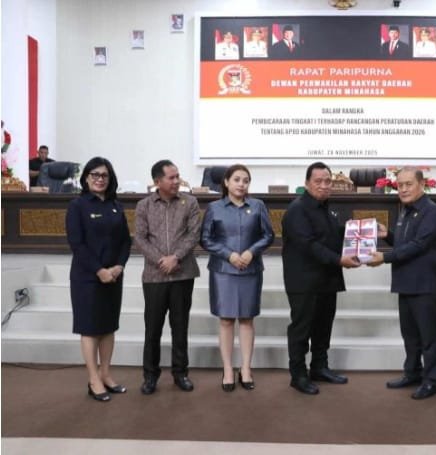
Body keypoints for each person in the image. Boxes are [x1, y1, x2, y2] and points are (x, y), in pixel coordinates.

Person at [282, 162, 361, 395]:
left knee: (323, 327)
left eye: (328, 181)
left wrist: (362, 230)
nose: (324, 185)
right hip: (304, 281)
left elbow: (334, 236)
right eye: (318, 181)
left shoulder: (326, 208)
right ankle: (298, 374)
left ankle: (319, 367)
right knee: (301, 329)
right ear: (307, 183)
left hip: (327, 279)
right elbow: (309, 245)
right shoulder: (297, 210)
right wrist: (339, 260)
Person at [368, 167, 436, 400]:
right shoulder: (405, 210)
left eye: (408, 184)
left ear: (421, 184)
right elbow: (405, 243)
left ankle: (432, 380)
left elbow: (419, 245)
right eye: (400, 185)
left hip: (425, 284)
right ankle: (413, 373)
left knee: (429, 336)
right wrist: (389, 236)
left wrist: (384, 257)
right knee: (410, 335)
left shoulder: (431, 211)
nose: (403, 189)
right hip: (406, 282)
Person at [200, 164, 274, 392]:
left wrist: (251, 252)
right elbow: (205, 239)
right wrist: (229, 255)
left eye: (246, 180)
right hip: (223, 270)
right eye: (237, 180)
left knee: (247, 319)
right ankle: (227, 369)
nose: (242, 184)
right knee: (225, 320)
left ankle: (246, 369)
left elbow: (268, 235)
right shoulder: (215, 208)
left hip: (250, 270)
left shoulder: (258, 205)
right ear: (226, 182)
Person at [66, 157, 131, 402]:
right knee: (90, 328)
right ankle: (93, 379)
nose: (99, 179)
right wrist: (99, 270)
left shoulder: (116, 205)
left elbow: (125, 241)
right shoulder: (77, 206)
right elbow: (77, 244)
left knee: (108, 327)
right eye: (94, 175)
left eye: (104, 175)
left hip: (113, 276)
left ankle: (105, 374)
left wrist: (119, 266)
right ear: (86, 178)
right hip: (87, 277)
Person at [134, 160, 201, 395]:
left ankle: (180, 373)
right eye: (171, 178)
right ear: (157, 181)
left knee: (180, 326)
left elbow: (193, 234)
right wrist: (162, 260)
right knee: (153, 329)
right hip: (155, 276)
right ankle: (150, 376)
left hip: (183, 274)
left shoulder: (190, 202)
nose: (176, 181)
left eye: (177, 176)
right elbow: (140, 238)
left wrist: (176, 258)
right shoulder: (144, 205)